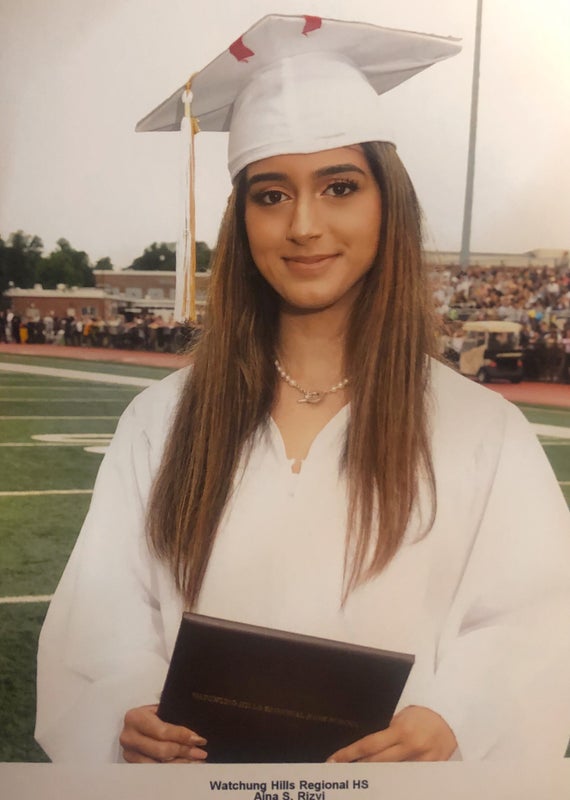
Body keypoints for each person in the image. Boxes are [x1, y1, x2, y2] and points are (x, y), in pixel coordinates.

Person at [35, 14, 570, 764]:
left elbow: (535, 622)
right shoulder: (162, 422)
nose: (304, 225)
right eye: (271, 195)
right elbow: (105, 616)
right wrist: (127, 704)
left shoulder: (481, 432)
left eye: (339, 187)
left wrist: (457, 718)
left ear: (387, 204)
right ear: (242, 219)